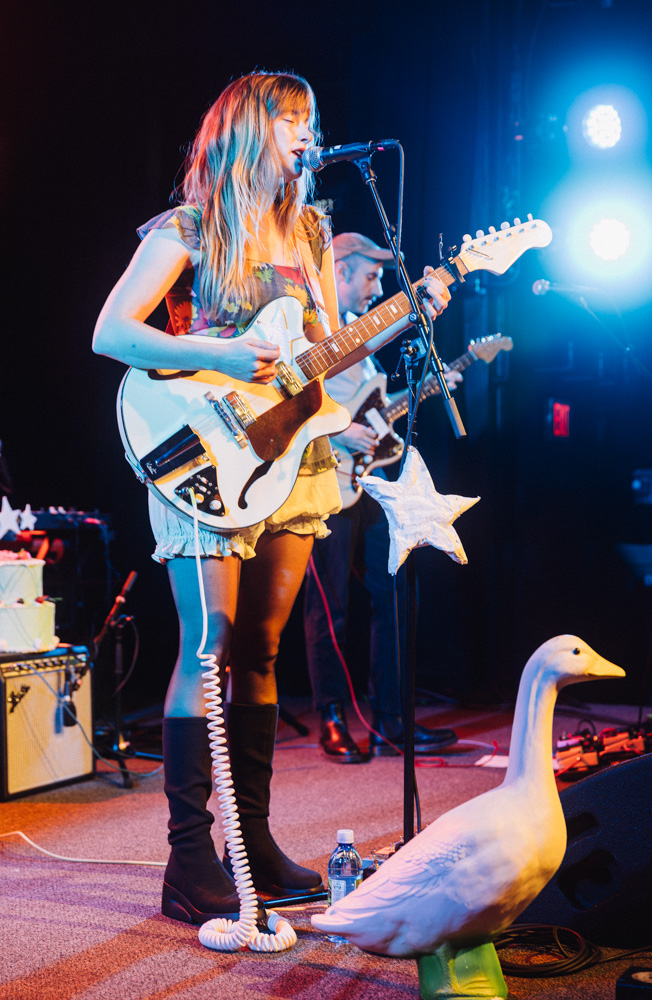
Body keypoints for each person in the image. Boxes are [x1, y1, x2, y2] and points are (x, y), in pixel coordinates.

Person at [92, 72, 450, 925]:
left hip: (290, 457)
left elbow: (326, 350)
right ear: (249, 129)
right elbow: (110, 332)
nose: (305, 132)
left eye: (311, 119)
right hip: (203, 448)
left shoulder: (314, 227)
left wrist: (410, 311)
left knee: (259, 649)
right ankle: (187, 861)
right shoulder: (190, 226)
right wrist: (218, 358)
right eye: (289, 118)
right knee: (209, 646)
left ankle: (248, 846)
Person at [303, 233, 461, 763]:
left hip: (370, 482)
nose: (376, 288)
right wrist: (339, 431)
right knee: (331, 610)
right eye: (370, 277)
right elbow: (290, 404)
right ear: (340, 272)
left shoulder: (364, 349)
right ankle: (332, 718)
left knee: (396, 593)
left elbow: (372, 411)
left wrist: (429, 388)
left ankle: (392, 721)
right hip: (325, 478)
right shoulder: (312, 330)